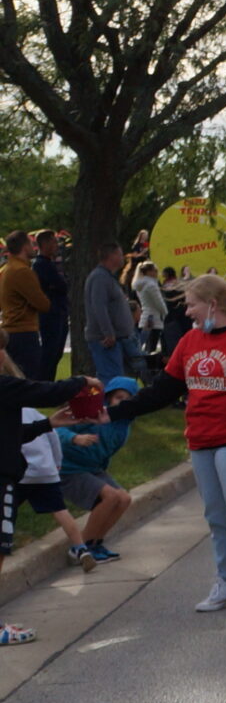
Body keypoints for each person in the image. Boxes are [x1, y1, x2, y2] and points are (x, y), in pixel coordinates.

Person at [112, 275, 226, 621]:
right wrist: (116, 412)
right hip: (200, 439)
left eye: (191, 304)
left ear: (213, 304)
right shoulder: (190, 341)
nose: (187, 311)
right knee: (217, 517)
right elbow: (163, 390)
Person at [0, 349, 97, 621]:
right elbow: (45, 392)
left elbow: (9, 436)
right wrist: (82, 382)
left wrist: (47, 424)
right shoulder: (5, 385)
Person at [59, 375, 139, 568]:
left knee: (124, 498)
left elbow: (106, 451)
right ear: (108, 398)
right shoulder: (92, 413)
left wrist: (102, 472)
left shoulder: (123, 426)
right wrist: (74, 438)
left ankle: (96, 543)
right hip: (68, 468)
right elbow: (57, 430)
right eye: (119, 398)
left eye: (128, 400)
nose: (123, 403)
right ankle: (79, 548)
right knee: (110, 497)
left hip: (92, 469)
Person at [84, 236, 138, 382]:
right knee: (110, 378)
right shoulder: (100, 277)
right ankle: (109, 404)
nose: (122, 258)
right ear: (111, 256)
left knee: (118, 377)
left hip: (118, 338)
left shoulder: (108, 277)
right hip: (105, 340)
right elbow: (98, 306)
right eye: (120, 254)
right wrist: (108, 333)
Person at [1, 231, 51, 379]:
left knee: (16, 378)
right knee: (28, 379)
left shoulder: (8, 269)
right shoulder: (22, 271)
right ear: (24, 247)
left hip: (11, 332)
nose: (33, 247)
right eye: (31, 244)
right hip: (23, 332)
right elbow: (43, 304)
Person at [32, 229, 68, 379]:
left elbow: (62, 285)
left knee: (56, 352)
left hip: (60, 312)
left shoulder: (51, 264)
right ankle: (44, 384)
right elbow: (60, 285)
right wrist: (59, 285)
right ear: (45, 244)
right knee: (50, 352)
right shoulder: (41, 265)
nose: (56, 245)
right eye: (53, 241)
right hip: (50, 314)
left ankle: (49, 384)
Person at [133, 261, 166, 372]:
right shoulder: (151, 285)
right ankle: (151, 369)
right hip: (154, 317)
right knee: (152, 347)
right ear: (150, 272)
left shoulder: (140, 284)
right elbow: (159, 302)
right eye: (155, 271)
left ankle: (144, 368)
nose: (157, 273)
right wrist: (166, 313)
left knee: (144, 344)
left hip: (145, 316)